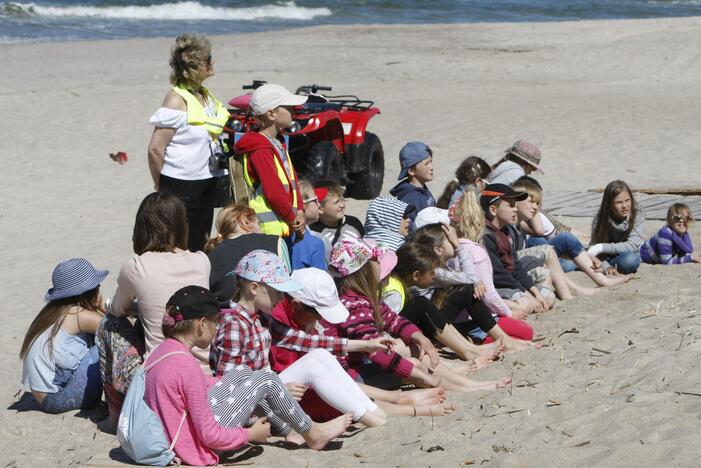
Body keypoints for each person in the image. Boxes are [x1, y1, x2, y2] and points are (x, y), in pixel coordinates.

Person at [145, 285, 351, 466]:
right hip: (192, 446)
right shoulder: (186, 365)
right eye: (216, 323)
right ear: (201, 324)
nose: (217, 329)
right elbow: (209, 435)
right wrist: (249, 434)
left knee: (243, 373)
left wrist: (241, 385)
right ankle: (313, 434)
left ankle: (290, 430)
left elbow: (192, 388)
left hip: (176, 433)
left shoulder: (164, 352)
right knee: (266, 378)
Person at [209, 251, 392, 431]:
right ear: (254, 289)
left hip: (261, 398)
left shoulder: (260, 318)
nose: (282, 298)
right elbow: (230, 387)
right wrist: (277, 390)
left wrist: (365, 345)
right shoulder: (233, 324)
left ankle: (374, 414)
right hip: (245, 411)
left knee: (319, 354)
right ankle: (373, 420)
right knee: (312, 366)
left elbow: (306, 341)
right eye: (276, 291)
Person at [327, 237, 511, 392]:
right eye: (376, 261)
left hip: (364, 366)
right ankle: (467, 387)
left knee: (420, 353)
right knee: (415, 364)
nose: (380, 265)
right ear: (364, 270)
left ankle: (470, 385)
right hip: (355, 376)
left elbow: (394, 320)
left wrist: (420, 338)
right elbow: (375, 351)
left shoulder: (363, 299)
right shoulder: (353, 306)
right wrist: (415, 373)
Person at [271, 267, 456, 419]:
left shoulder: (300, 319)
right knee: (339, 398)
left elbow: (324, 349)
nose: (321, 319)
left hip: (342, 377)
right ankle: (404, 404)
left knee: (341, 389)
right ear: (295, 305)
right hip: (291, 394)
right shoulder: (279, 323)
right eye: (318, 313)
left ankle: (399, 399)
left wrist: (368, 345)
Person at [98, 191, 209, 432]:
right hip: (201, 372)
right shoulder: (202, 261)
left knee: (108, 325)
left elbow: (119, 309)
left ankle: (115, 413)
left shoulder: (136, 267)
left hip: (161, 376)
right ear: (182, 225)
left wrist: (105, 304)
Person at [147, 33, 229, 251]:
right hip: (180, 185)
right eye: (208, 59)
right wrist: (161, 186)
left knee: (200, 243)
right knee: (179, 246)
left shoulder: (205, 96)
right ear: (194, 66)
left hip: (205, 183)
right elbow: (155, 149)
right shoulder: (176, 99)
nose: (213, 63)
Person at [410, 224, 536, 351]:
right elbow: (470, 278)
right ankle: (497, 340)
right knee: (467, 291)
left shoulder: (441, 267)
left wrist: (474, 282)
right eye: (451, 240)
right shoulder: (435, 272)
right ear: (438, 250)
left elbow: (468, 279)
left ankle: (479, 339)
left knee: (526, 333)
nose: (456, 240)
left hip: (445, 322)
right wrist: (459, 248)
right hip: (432, 326)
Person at [384, 242, 504, 364]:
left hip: (414, 331)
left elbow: (466, 280)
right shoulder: (394, 293)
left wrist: (476, 282)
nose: (435, 275)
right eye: (432, 272)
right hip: (404, 338)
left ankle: (472, 348)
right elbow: (389, 327)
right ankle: (469, 352)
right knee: (420, 304)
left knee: (464, 290)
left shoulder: (404, 282)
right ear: (416, 275)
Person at [20, 259, 105, 414]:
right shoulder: (78, 315)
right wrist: (102, 306)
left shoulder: (53, 312)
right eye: (97, 288)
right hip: (56, 399)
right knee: (108, 345)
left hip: (44, 397)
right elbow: (116, 330)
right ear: (86, 294)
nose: (99, 291)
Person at [513, 177, 631, 287]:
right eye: (532, 201)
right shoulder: (520, 220)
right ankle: (577, 284)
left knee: (561, 241)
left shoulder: (524, 220)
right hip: (533, 261)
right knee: (629, 261)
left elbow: (559, 238)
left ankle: (599, 278)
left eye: (538, 202)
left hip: (553, 255)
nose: (537, 206)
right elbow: (539, 232)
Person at [234, 84, 307, 238]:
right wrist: (293, 217)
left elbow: (292, 181)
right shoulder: (261, 149)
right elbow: (273, 192)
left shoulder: (278, 142)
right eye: (288, 107)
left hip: (284, 223)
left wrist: (300, 209)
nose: (294, 111)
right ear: (271, 114)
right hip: (268, 231)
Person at [480, 184, 554, 314]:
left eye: (515, 205)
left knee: (548, 298)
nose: (515, 209)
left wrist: (535, 292)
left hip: (511, 283)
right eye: (510, 205)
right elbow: (499, 275)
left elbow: (516, 267)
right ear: (493, 210)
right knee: (526, 305)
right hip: (495, 286)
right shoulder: (485, 236)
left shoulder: (505, 230)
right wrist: (525, 293)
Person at [205, 203, 289, 305]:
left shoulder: (209, 257)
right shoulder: (276, 242)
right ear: (245, 221)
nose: (260, 229)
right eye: (259, 223)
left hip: (225, 316)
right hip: (269, 313)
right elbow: (286, 284)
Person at [588, 180, 645, 274]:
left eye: (627, 200)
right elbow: (593, 250)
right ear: (609, 204)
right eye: (619, 202)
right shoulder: (600, 218)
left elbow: (633, 245)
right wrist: (605, 266)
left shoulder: (638, 212)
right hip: (604, 259)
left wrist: (601, 247)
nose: (625, 206)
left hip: (624, 256)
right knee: (567, 265)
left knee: (631, 260)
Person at [309, 180, 365, 259]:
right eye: (336, 202)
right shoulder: (314, 232)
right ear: (320, 208)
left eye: (342, 200)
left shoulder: (354, 223)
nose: (342, 205)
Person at [389, 142, 436, 221]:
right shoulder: (409, 200)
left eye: (431, 162)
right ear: (411, 171)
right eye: (426, 164)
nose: (432, 167)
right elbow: (410, 231)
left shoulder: (422, 189)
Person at [287, 180, 327, 271]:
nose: (319, 204)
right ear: (302, 205)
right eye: (315, 200)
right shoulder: (315, 244)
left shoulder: (279, 238)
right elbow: (321, 281)